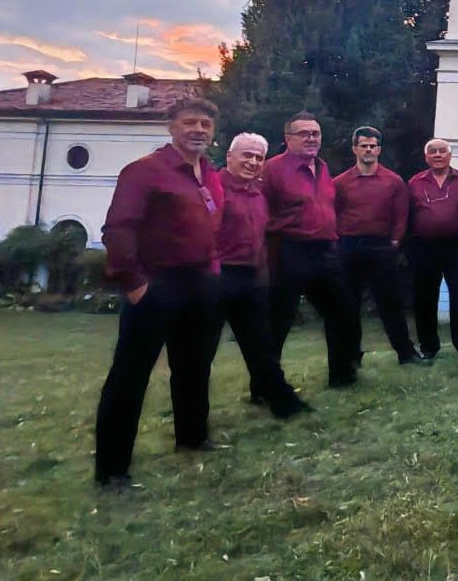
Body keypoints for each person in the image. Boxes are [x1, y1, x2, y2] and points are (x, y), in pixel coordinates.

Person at [94, 97, 226, 491]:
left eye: (205, 124)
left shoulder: (209, 175)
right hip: (157, 284)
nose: (198, 130)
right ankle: (112, 470)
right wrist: (133, 283)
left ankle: (192, 437)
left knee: (194, 366)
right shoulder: (144, 171)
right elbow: (118, 228)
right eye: (190, 122)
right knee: (130, 375)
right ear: (171, 126)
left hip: (200, 283)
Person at [214, 132, 310, 419]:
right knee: (201, 352)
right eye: (247, 155)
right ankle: (192, 429)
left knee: (262, 347)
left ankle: (283, 404)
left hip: (251, 278)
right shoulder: (213, 189)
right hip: (217, 277)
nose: (253, 161)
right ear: (230, 157)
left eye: (259, 157)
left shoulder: (258, 194)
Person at [263, 111, 357, 388]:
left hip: (325, 250)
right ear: (288, 138)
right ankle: (265, 386)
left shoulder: (323, 167)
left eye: (315, 133)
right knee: (279, 320)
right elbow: (259, 210)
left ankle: (342, 376)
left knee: (342, 312)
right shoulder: (272, 169)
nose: (311, 138)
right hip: (288, 249)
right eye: (304, 133)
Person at [333, 126, 422, 366]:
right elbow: (333, 213)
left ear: (379, 149)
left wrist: (394, 240)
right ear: (355, 149)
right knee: (349, 304)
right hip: (348, 246)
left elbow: (401, 215)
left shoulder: (393, 182)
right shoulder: (340, 183)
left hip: (381, 246)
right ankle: (352, 356)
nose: (368, 149)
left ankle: (406, 353)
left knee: (390, 302)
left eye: (373, 146)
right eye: (364, 145)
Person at [405, 138, 458, 359]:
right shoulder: (414, 182)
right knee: (424, 299)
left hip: (456, 248)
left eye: (442, 151)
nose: (437, 155)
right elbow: (406, 216)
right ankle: (428, 347)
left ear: (449, 155)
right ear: (426, 157)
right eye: (432, 152)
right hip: (423, 249)